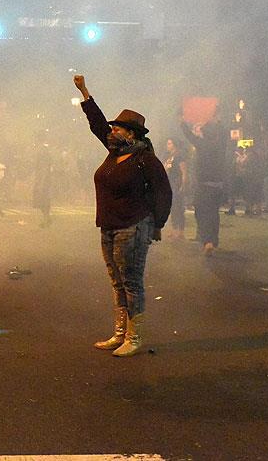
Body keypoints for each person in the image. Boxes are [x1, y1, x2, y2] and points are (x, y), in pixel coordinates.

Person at [73, 74, 172, 357]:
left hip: (134, 226)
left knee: (131, 281)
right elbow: (97, 125)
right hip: (110, 225)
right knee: (117, 280)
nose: (112, 132)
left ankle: (135, 336)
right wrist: (84, 92)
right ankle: (119, 334)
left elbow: (163, 192)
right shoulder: (113, 153)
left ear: (132, 134)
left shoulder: (145, 160)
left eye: (118, 129)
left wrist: (157, 224)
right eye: (113, 128)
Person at [181, 118, 227, 255]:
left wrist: (183, 122)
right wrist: (218, 121)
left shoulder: (203, 144)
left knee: (201, 212)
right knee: (213, 213)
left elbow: (189, 135)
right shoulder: (220, 145)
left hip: (204, 185)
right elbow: (224, 133)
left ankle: (207, 241)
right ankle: (213, 240)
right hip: (218, 185)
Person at [164, 138, 188, 239]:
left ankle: (180, 230)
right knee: (172, 207)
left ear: (174, 145)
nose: (167, 145)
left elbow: (184, 171)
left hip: (176, 183)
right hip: (170, 183)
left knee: (178, 207)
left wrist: (183, 184)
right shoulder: (170, 157)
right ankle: (174, 229)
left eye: (170, 143)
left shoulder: (179, 156)